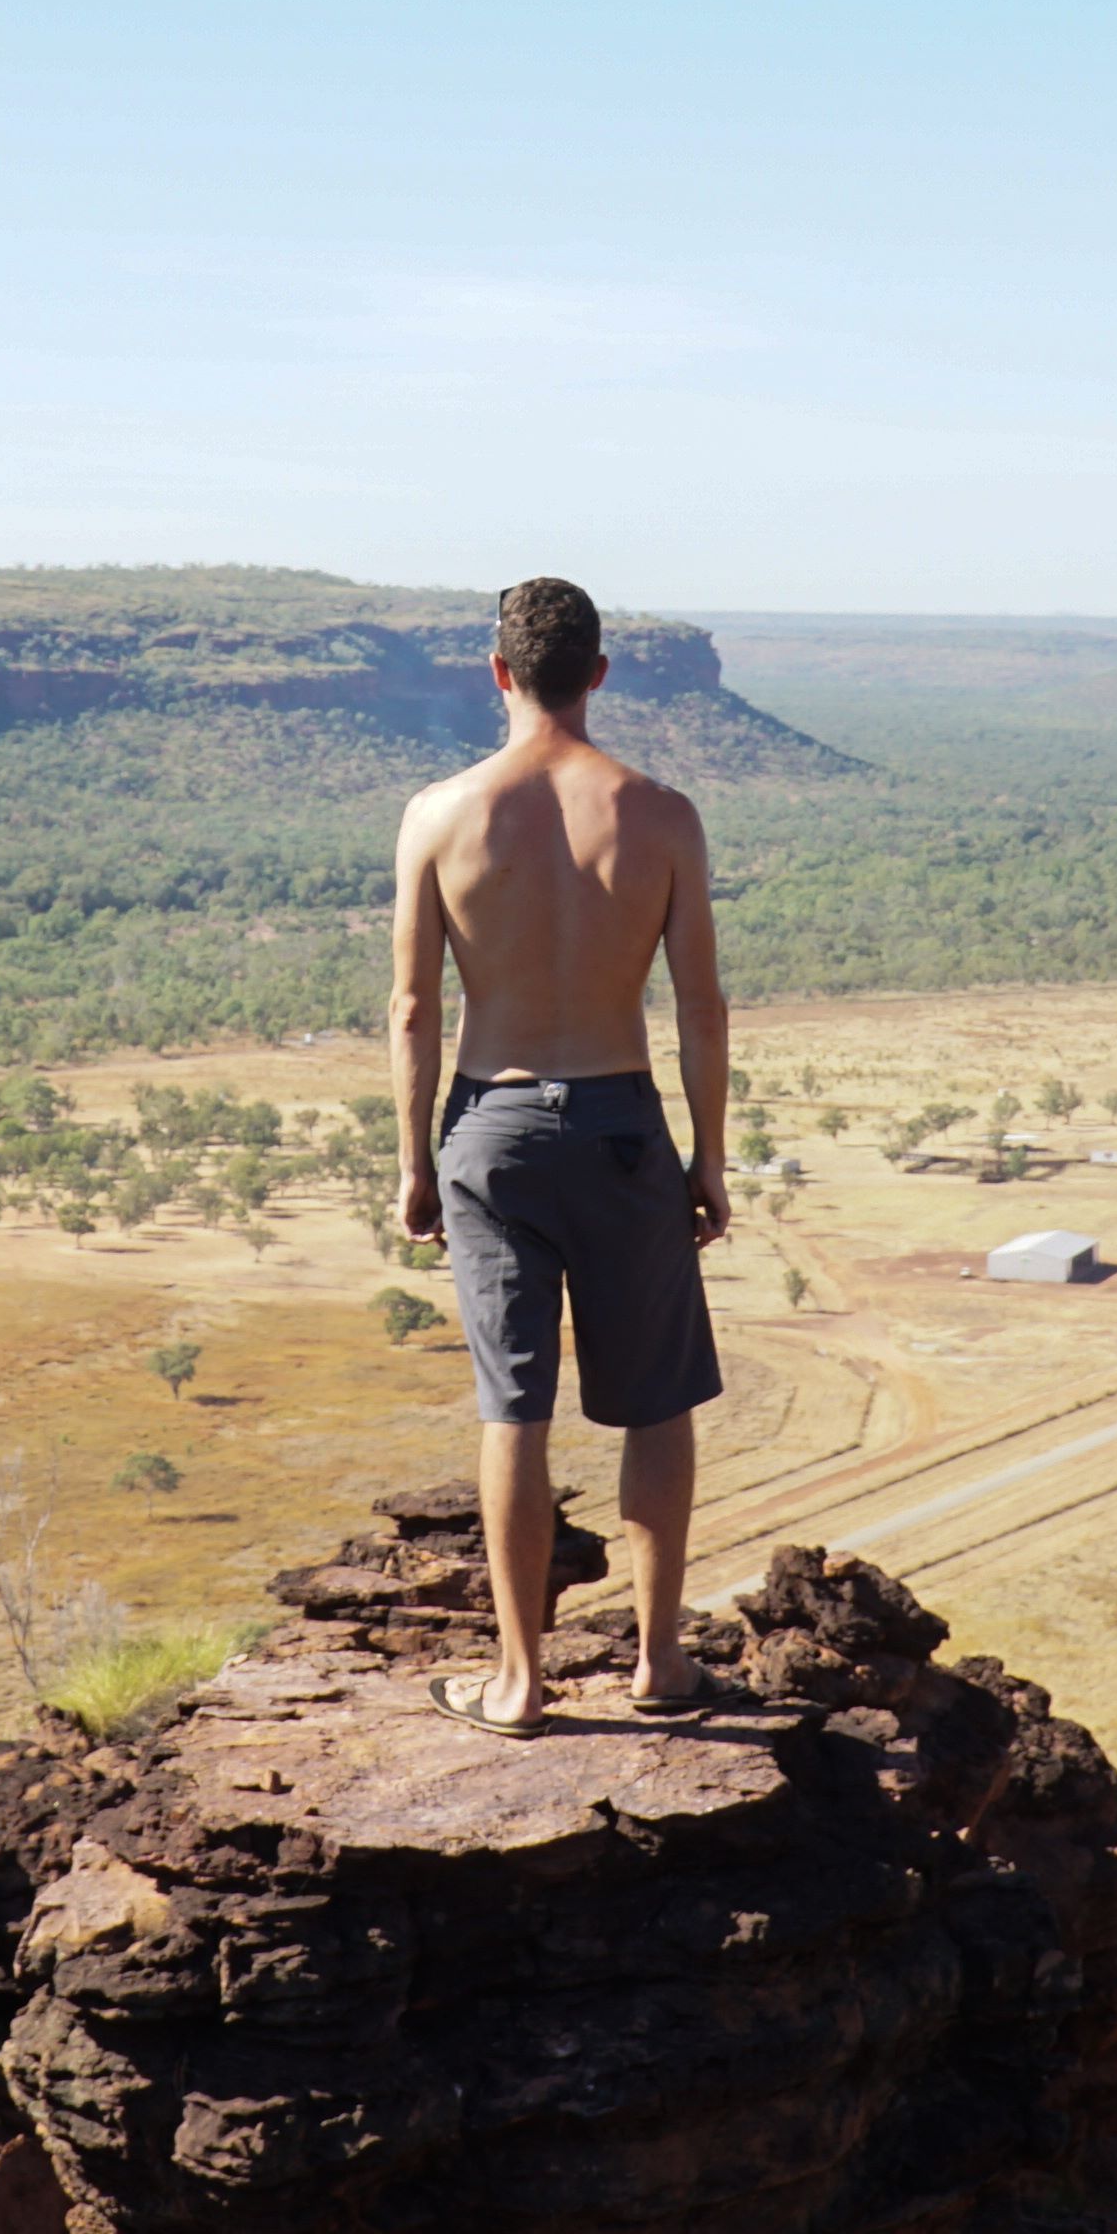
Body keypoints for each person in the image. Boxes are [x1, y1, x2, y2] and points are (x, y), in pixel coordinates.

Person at [391, 574, 732, 1735]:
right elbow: (702, 1008)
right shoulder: (661, 814)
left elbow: (411, 1010)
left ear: (497, 673)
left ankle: (520, 1682)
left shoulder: (437, 815)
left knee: (513, 1409)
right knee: (657, 1403)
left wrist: (412, 1163)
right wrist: (710, 1158)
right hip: (625, 1125)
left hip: (488, 1126)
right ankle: (661, 1663)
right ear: (598, 673)